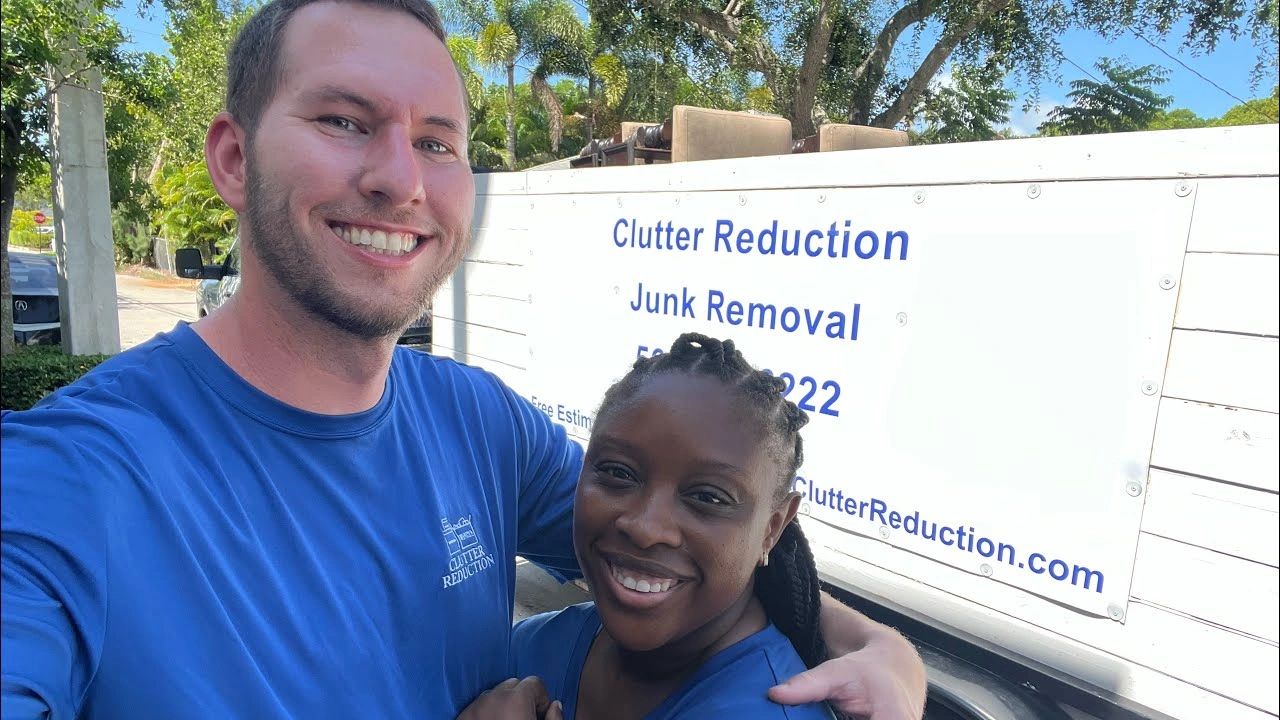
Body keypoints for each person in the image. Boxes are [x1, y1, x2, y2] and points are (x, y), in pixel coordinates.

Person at [0, 0, 926, 717]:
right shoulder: (68, 482)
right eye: (345, 121)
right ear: (234, 158)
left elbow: (677, 541)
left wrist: (870, 640)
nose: (401, 180)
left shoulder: (477, 424)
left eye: (437, 142)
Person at [473, 333, 843, 720]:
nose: (647, 528)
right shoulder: (533, 649)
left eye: (708, 497)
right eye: (618, 472)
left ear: (773, 527)